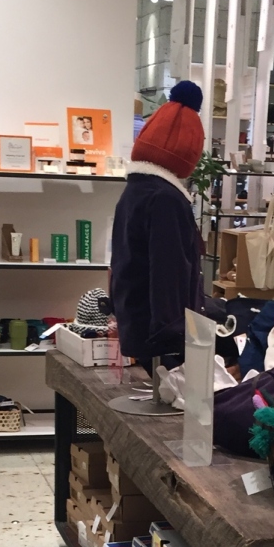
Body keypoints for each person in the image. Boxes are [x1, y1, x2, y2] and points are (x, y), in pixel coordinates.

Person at [110, 81, 208, 371]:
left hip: (136, 318)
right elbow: (169, 272)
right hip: (157, 333)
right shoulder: (166, 200)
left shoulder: (136, 190)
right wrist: (174, 334)